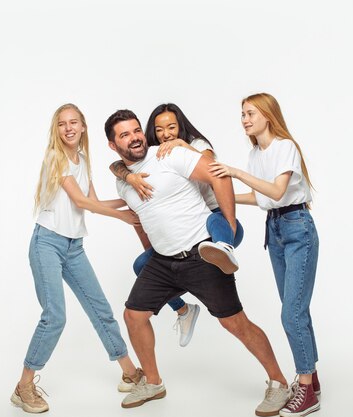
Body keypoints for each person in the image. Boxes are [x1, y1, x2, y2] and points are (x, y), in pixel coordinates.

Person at [104, 109, 290, 416]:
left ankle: (279, 383)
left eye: (137, 130)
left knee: (235, 323)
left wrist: (228, 227)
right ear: (113, 145)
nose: (135, 137)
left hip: (201, 254)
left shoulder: (169, 154)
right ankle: (153, 382)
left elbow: (219, 176)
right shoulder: (123, 182)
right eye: (124, 134)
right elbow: (143, 220)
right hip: (163, 261)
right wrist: (150, 255)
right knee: (133, 315)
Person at [11, 104, 143, 414]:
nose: (68, 128)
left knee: (100, 309)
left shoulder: (82, 160)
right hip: (47, 243)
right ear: (55, 130)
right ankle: (24, 385)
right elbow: (82, 201)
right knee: (55, 316)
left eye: (74, 122)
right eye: (62, 124)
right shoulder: (55, 157)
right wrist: (124, 217)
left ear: (83, 127)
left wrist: (130, 201)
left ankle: (129, 371)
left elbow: (94, 202)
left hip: (74, 247)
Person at [209, 93, 321, 417]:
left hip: (298, 227)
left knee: (292, 313)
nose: (244, 119)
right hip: (275, 230)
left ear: (268, 116)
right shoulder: (255, 153)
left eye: (250, 113)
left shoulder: (284, 146)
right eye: (242, 114)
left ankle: (306, 391)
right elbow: (260, 198)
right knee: (297, 310)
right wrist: (221, 201)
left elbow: (276, 191)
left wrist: (235, 173)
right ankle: (311, 378)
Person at [108, 103, 245, 347]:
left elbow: (214, 171)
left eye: (171, 127)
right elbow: (117, 165)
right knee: (142, 265)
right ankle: (183, 310)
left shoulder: (194, 147)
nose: (165, 134)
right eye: (159, 130)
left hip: (215, 217)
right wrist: (128, 176)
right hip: (185, 236)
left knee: (213, 220)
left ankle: (224, 248)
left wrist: (184, 146)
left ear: (181, 127)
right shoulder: (156, 153)